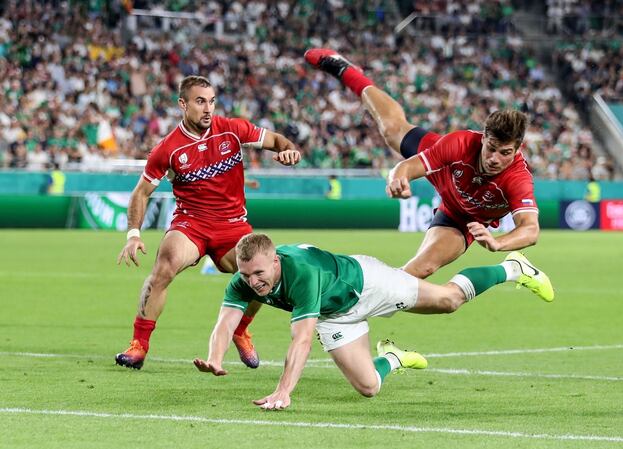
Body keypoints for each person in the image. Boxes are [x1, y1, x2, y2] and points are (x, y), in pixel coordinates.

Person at [193, 233, 554, 410]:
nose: (253, 282)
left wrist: (284, 391)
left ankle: (511, 267)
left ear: (274, 261)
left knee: (448, 300)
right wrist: (215, 359)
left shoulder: (299, 273)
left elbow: (301, 340)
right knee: (368, 388)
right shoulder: (244, 280)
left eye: (258, 273)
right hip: (336, 314)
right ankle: (394, 358)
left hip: (367, 283)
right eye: (246, 275)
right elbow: (226, 321)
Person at [115, 75, 302, 370]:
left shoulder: (232, 129)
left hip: (233, 225)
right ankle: (139, 345)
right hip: (192, 225)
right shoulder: (168, 149)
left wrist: (287, 150)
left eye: (212, 101)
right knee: (164, 267)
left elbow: (277, 140)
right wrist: (133, 234)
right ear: (182, 104)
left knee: (265, 272)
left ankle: (241, 330)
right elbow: (141, 192)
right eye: (200, 101)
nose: (208, 108)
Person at [305, 49, 543, 280]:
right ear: (483, 137)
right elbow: (406, 167)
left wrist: (497, 242)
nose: (494, 159)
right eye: (491, 148)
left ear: (518, 148)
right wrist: (398, 180)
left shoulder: (517, 178)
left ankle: (354, 310)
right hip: (443, 171)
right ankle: (347, 70)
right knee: (391, 130)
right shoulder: (459, 144)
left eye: (505, 153)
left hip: (462, 218)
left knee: (417, 271)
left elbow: (530, 230)